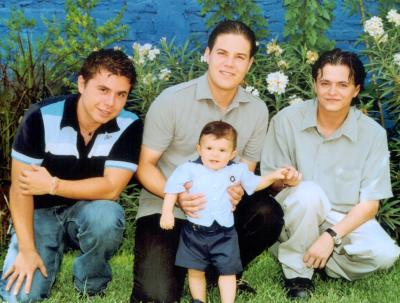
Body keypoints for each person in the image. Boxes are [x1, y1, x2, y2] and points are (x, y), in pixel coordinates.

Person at [131, 20, 286, 303]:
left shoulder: (257, 111)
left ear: (250, 64)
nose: (229, 64)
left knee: (267, 213)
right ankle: (187, 268)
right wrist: (178, 198)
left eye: (240, 57)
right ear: (207, 54)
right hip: (168, 206)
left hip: (220, 213)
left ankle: (218, 270)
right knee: (156, 297)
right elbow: (144, 166)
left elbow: (245, 171)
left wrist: (236, 191)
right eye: (222, 53)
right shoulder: (172, 101)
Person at [0, 49, 143, 302]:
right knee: (19, 296)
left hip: (88, 210)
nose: (110, 103)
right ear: (81, 83)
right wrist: (27, 249)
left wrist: (52, 184)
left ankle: (91, 283)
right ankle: (39, 252)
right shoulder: (41, 117)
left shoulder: (129, 125)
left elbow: (111, 189)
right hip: (38, 212)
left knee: (107, 216)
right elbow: (21, 189)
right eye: (103, 90)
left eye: (121, 94)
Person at [261, 48, 400, 299]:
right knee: (308, 193)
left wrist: (330, 236)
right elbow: (271, 186)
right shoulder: (286, 121)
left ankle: (315, 255)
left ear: (356, 90)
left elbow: (370, 204)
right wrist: (283, 181)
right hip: (295, 212)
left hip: (341, 219)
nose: (332, 92)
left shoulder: (372, 134)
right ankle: (298, 275)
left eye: (342, 85)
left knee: (385, 254)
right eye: (325, 83)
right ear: (315, 84)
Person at [160, 121, 290, 303]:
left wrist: (273, 176)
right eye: (209, 148)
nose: (215, 154)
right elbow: (172, 188)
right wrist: (167, 212)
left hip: (225, 232)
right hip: (195, 231)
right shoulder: (189, 169)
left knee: (228, 271)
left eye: (222, 150)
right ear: (199, 148)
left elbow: (254, 183)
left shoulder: (237, 171)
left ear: (232, 154)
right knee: (195, 271)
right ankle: (198, 300)